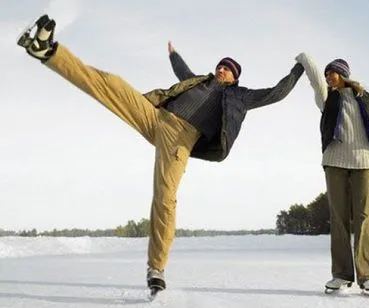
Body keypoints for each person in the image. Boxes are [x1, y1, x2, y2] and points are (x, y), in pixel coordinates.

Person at [18, 14, 304, 292]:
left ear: (234, 77)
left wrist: (299, 69)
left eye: (227, 69)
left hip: (180, 141)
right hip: (156, 117)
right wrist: (173, 54)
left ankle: (157, 268)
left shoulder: (240, 97)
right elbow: (181, 71)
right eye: (220, 65)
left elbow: (276, 93)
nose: (221, 70)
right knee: (113, 84)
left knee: (165, 199)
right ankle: (48, 51)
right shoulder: (197, 80)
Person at [295, 53, 369, 294]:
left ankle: (367, 275)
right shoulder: (326, 97)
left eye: (333, 73)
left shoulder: (364, 99)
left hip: (363, 162)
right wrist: (303, 57)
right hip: (334, 162)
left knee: (364, 218)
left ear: (344, 75)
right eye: (327, 74)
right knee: (338, 219)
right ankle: (340, 275)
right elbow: (313, 78)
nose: (329, 77)